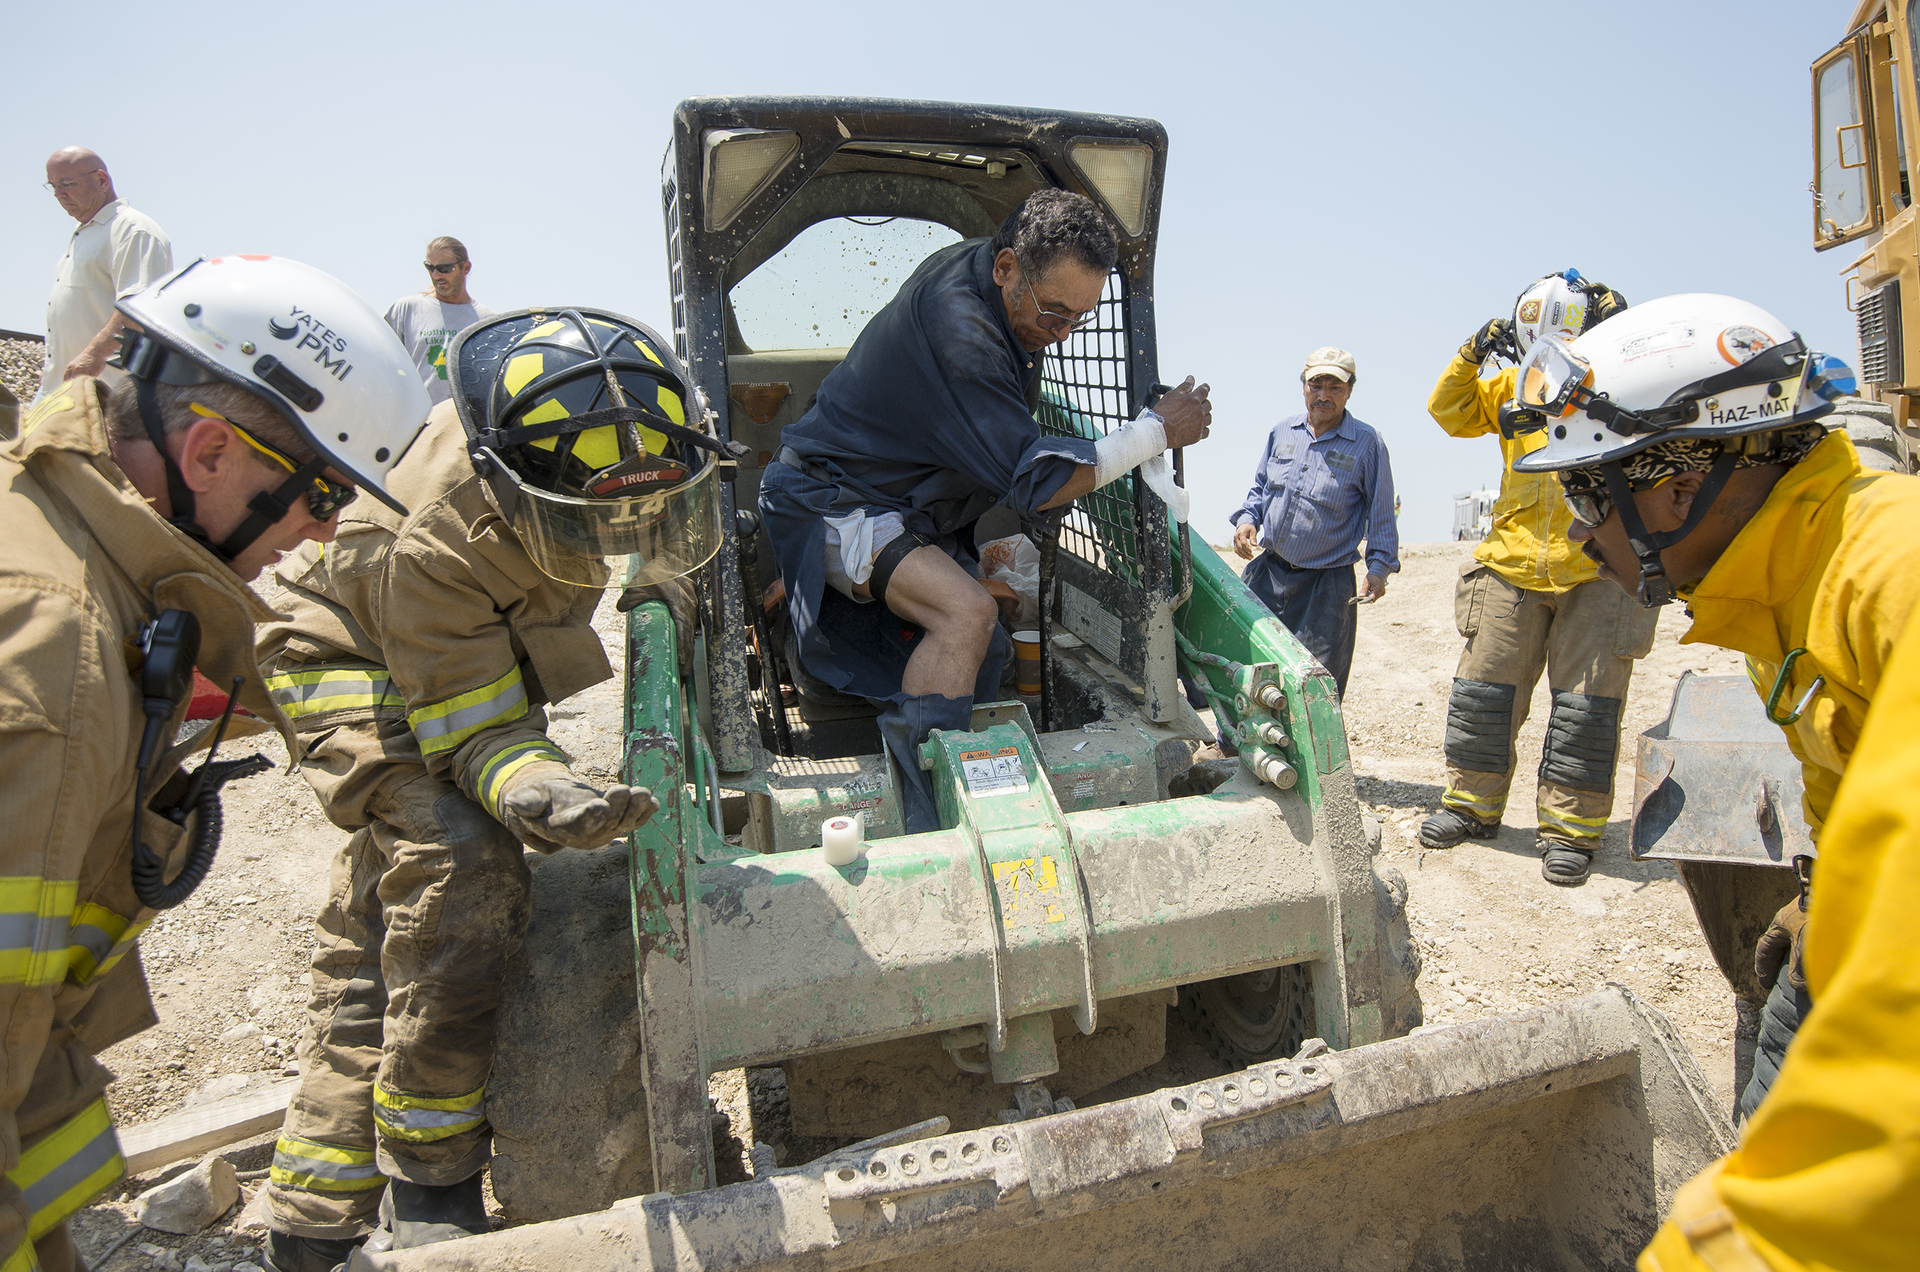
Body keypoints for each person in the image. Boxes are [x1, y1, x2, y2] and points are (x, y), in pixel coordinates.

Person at [255, 306, 716, 1270]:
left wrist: (660, 587)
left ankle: (312, 1216)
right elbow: (478, 731)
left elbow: (658, 532)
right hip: (351, 651)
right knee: (460, 869)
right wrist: (542, 792)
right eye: (595, 526)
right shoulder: (431, 538)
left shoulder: (621, 429)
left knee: (388, 925)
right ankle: (431, 1179)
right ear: (518, 487)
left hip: (461, 647)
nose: (615, 536)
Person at [0, 254, 430, 1272]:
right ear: (206, 455)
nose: (325, 531)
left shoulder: (76, 553)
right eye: (321, 493)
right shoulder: (52, 651)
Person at [1494, 292, 1920, 1267]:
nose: (1576, 533)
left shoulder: (1887, 575)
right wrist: (1825, 910)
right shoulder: (1793, 583)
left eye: (1589, 498)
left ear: (1678, 488)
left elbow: (1863, 1169)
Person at [758, 189, 1212, 834]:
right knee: (964, 613)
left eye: (1079, 319)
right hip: (831, 500)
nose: (1060, 333)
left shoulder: (988, 279)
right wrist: (1153, 434)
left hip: (895, 504)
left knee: (990, 644)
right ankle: (929, 812)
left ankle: (923, 716)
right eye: (1054, 312)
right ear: (1006, 268)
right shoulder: (960, 332)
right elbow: (1034, 484)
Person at [1418, 270, 1654, 887]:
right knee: (1484, 693)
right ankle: (1471, 806)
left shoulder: (1621, 383)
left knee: (1586, 706)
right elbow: (1447, 409)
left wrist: (1622, 332)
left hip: (1596, 566)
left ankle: (1571, 832)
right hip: (1512, 562)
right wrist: (1473, 347)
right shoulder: (1509, 388)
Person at [1229, 348, 1397, 698]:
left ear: (1350, 390)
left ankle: (1305, 755)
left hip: (1327, 587)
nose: (1323, 395)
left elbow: (1381, 512)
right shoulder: (1282, 431)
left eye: (1334, 386)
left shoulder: (1367, 444)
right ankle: (1231, 747)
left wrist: (1378, 569)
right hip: (1269, 574)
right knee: (1245, 666)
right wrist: (1248, 519)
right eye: (1315, 384)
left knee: (1314, 685)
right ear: (1302, 385)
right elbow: (1260, 486)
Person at [37, 146, 172, 402]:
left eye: (67, 183)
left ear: (101, 180)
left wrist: (94, 355)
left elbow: (138, 306)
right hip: (62, 392)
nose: (59, 194)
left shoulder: (133, 229)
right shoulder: (87, 234)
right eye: (53, 186)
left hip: (106, 395)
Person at [383, 237, 496, 406]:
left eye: (444, 268)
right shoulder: (406, 309)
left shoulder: (488, 320)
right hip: (418, 421)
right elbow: (381, 362)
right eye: (430, 267)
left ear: (466, 268)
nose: (436, 275)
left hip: (463, 425)